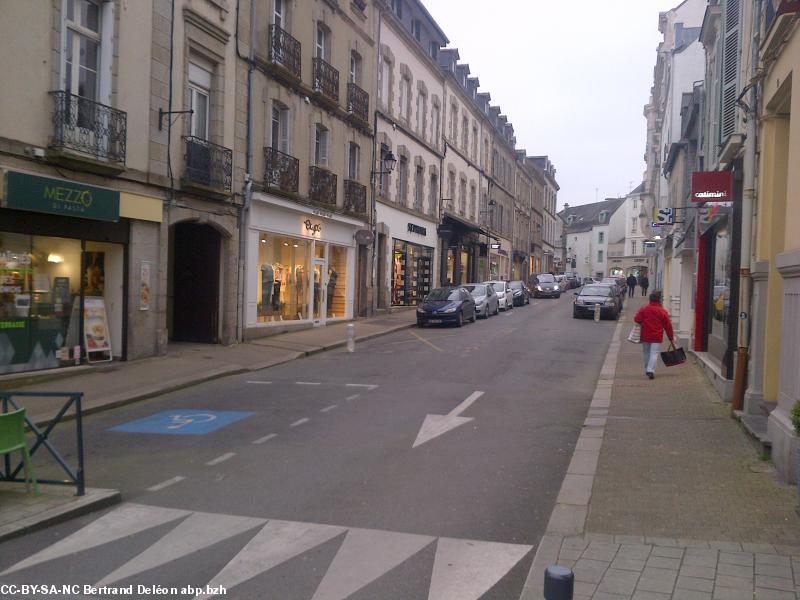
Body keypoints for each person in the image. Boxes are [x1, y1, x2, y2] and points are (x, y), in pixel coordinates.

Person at [634, 291, 674, 379]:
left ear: (650, 299)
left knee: (646, 353)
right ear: (659, 300)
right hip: (657, 335)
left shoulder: (644, 309)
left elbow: (637, 319)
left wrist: (643, 321)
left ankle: (647, 370)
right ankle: (650, 370)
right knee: (654, 353)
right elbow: (668, 325)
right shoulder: (662, 311)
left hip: (645, 334)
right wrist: (670, 337)